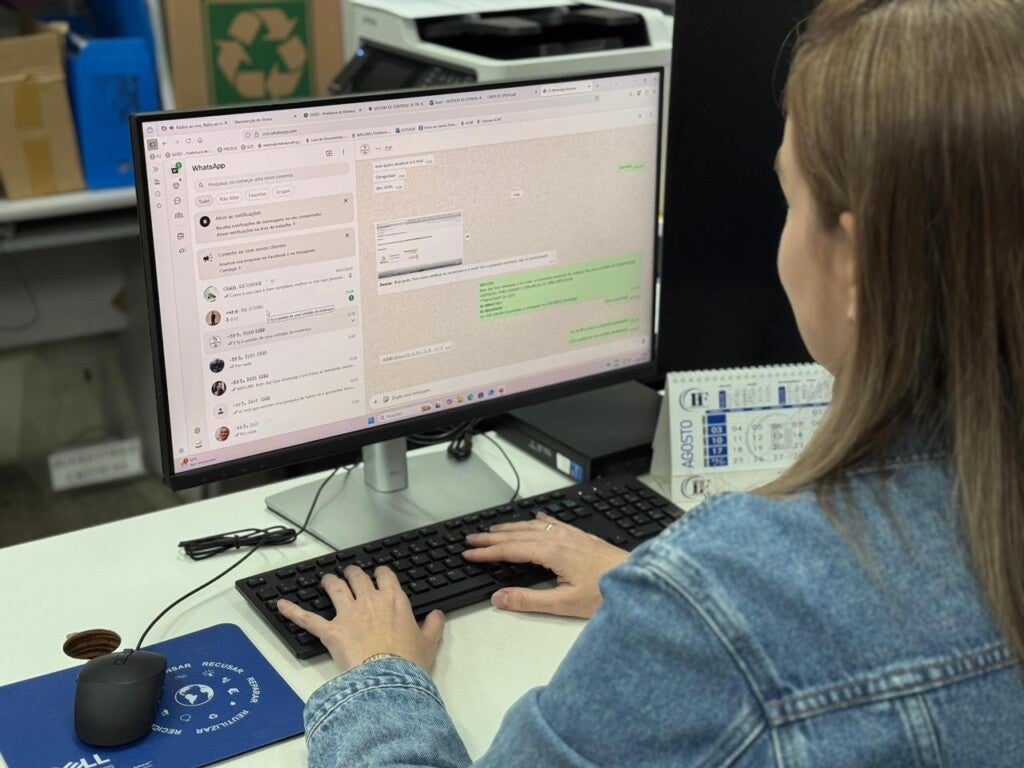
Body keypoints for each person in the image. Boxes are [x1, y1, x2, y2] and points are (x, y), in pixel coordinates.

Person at [278, 1, 1024, 764]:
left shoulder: (733, 587)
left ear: (855, 264)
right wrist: (655, 591)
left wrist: (380, 675)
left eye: (790, 200)